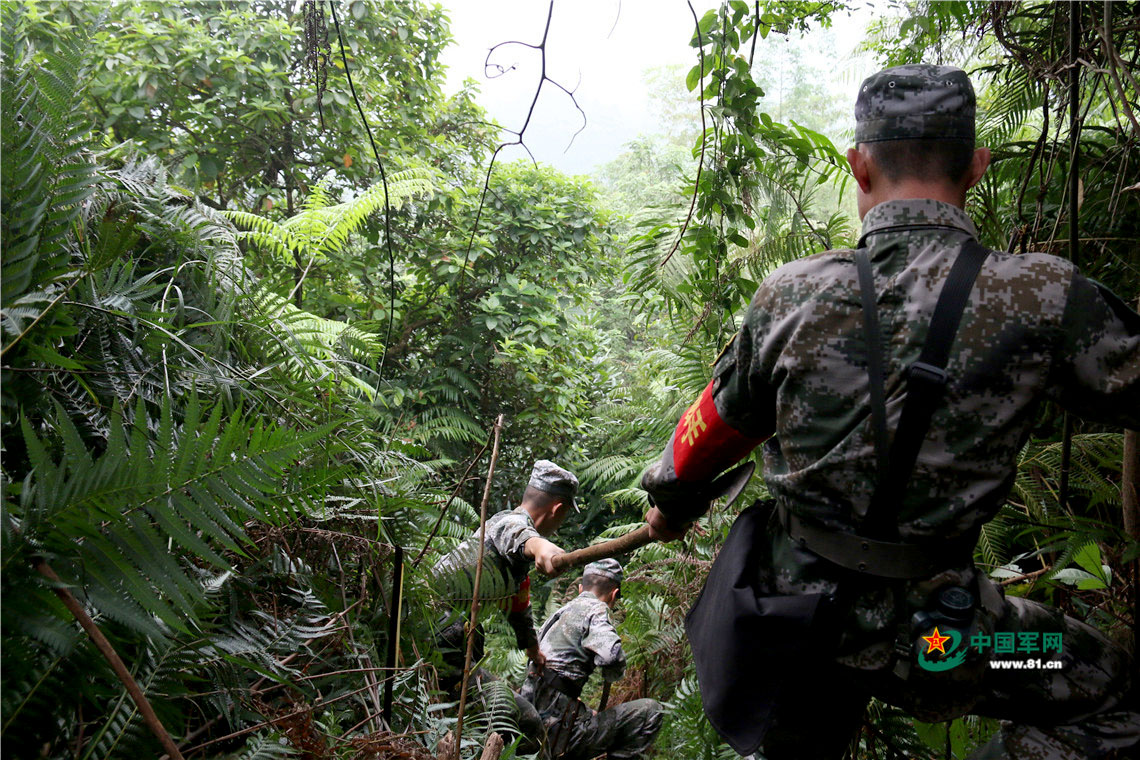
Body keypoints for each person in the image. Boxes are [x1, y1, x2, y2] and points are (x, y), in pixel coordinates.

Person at [640, 63, 1140, 759]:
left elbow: (713, 430)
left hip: (794, 619)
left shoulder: (791, 294)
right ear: (977, 167)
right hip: (944, 639)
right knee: (1114, 697)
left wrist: (671, 506)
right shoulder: (1044, 298)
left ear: (859, 165)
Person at [432, 460, 577, 751]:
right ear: (558, 509)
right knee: (527, 724)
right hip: (437, 650)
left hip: (445, 646)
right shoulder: (508, 523)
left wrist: (533, 650)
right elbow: (518, 535)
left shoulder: (511, 560)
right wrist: (542, 547)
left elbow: (519, 607)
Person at [520, 559, 663, 760]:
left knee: (592, 714)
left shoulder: (558, 615)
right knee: (651, 711)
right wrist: (612, 673)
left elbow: (555, 683)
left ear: (580, 588)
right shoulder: (597, 610)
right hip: (559, 737)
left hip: (530, 733)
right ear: (614, 594)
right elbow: (611, 657)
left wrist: (583, 711)